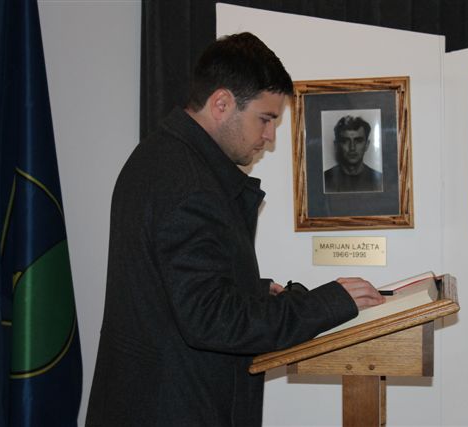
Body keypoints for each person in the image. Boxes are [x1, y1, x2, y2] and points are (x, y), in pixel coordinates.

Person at [85, 32, 384, 427]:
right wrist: (326, 304)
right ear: (222, 103)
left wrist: (251, 291)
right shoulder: (188, 182)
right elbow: (210, 319)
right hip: (174, 409)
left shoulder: (165, 158)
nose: (270, 137)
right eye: (266, 119)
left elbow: (169, 290)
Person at [324, 115, 383, 193]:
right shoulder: (324, 179)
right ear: (336, 145)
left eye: (358, 141)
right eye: (345, 141)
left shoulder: (380, 180)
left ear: (366, 145)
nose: (352, 148)